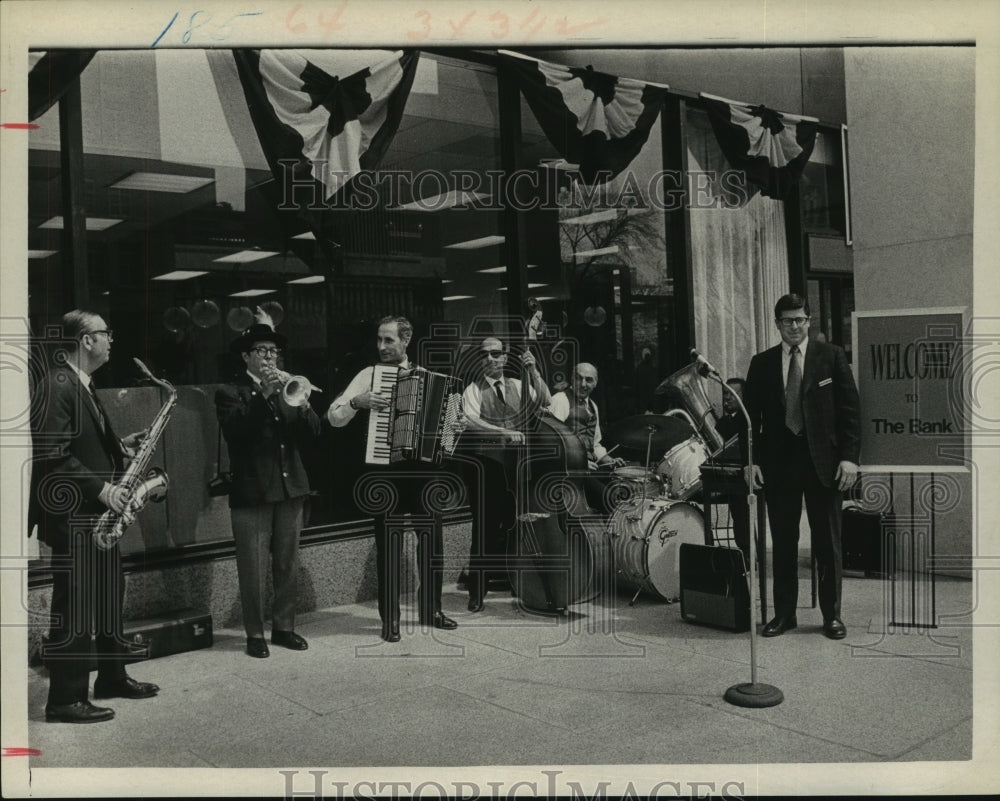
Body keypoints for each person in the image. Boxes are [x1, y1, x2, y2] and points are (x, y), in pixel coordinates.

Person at [29, 310, 159, 723]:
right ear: (86, 340)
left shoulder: (81, 383)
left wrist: (120, 446)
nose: (111, 340)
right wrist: (104, 490)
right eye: (106, 333)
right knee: (75, 607)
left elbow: (82, 445)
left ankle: (112, 677)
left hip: (96, 518)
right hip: (76, 516)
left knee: (106, 598)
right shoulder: (57, 384)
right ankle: (64, 700)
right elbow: (53, 455)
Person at [326, 316, 458, 642]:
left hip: (424, 472)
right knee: (389, 546)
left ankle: (432, 609)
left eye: (389, 340)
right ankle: (391, 619)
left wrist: (454, 427)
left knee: (432, 544)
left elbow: (449, 428)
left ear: (406, 340)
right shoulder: (369, 375)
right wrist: (357, 402)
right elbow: (334, 416)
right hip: (385, 472)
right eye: (379, 340)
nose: (382, 347)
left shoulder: (428, 377)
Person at [744, 293, 860, 640]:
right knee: (783, 543)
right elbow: (750, 420)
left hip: (824, 465)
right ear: (777, 324)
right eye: (787, 320)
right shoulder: (761, 363)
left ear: (809, 321)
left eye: (800, 319)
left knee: (827, 544)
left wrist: (849, 458)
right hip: (779, 467)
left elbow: (851, 413)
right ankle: (784, 614)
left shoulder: (831, 356)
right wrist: (751, 462)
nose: (794, 326)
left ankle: (832, 616)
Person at [216, 320, 321, 658]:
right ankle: (254, 634)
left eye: (273, 351)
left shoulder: (288, 387)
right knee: (253, 567)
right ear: (245, 356)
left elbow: (314, 434)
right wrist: (264, 395)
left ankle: (284, 627)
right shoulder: (230, 392)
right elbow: (237, 432)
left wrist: (303, 403)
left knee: (287, 564)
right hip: (253, 492)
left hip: (291, 489)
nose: (269, 357)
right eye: (261, 351)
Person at [460, 336, 551, 612]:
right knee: (484, 530)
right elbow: (470, 421)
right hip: (487, 467)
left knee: (515, 526)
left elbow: (546, 401)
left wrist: (534, 371)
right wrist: (502, 431)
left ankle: (517, 582)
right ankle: (477, 591)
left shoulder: (520, 384)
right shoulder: (472, 390)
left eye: (496, 353)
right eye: (484, 354)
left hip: (518, 468)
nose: (490, 358)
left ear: (505, 356)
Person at [548, 362, 626, 516]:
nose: (583, 384)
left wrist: (609, 460)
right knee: (609, 500)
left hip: (590, 470)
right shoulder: (560, 400)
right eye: (578, 378)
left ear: (595, 383)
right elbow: (552, 444)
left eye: (588, 380)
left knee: (624, 489)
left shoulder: (593, 406)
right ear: (572, 379)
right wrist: (580, 463)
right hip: (570, 473)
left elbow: (594, 444)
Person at [713, 377, 751, 565]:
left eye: (732, 394)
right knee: (738, 514)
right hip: (725, 477)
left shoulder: (747, 421)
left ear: (743, 397)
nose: (726, 398)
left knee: (741, 515)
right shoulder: (721, 423)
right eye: (725, 393)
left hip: (741, 477)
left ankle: (747, 554)